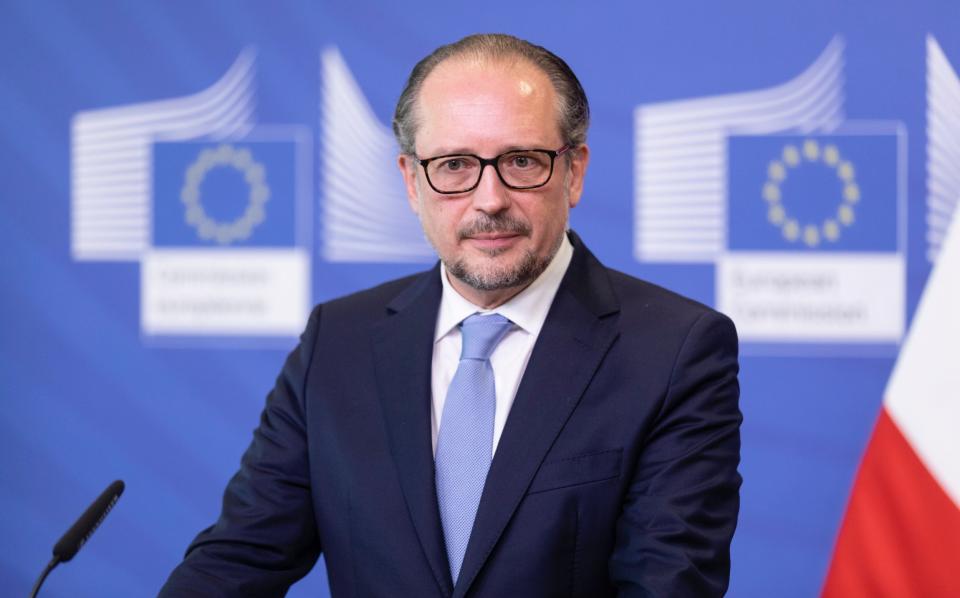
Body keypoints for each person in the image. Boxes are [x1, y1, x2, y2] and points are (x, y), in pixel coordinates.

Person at [160, 33, 741, 597]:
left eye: (522, 160)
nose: (489, 199)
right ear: (412, 182)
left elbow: (668, 582)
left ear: (574, 172)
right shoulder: (336, 342)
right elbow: (240, 558)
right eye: (456, 165)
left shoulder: (675, 352)